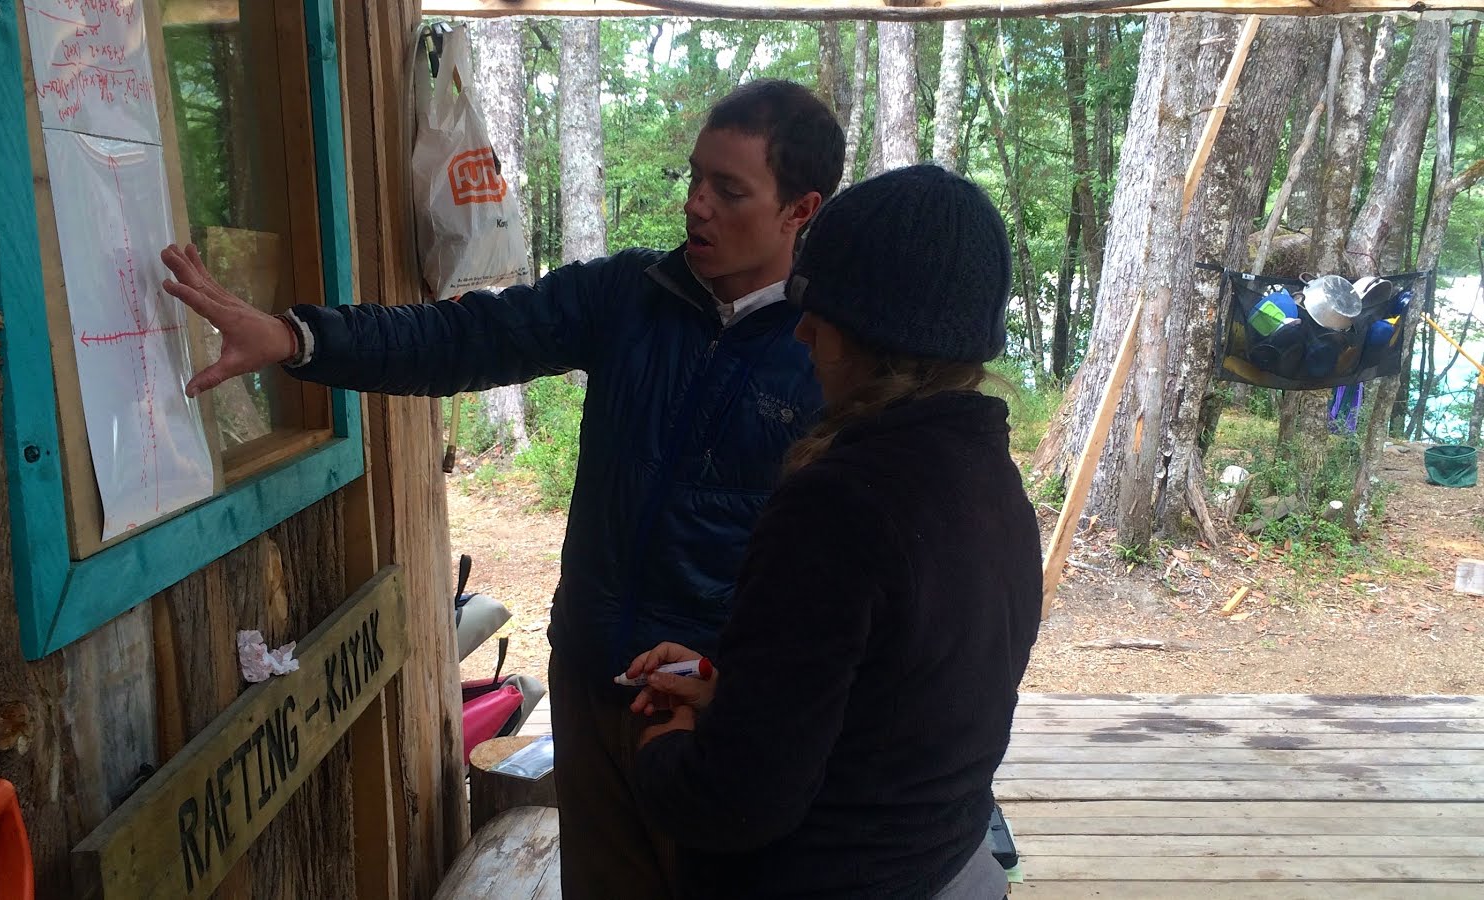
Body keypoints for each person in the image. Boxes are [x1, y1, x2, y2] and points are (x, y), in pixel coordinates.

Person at [159, 79, 845, 898]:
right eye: (695, 177)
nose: (696, 204)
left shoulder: (828, 350)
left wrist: (736, 683)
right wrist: (296, 338)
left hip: (709, 708)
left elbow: (835, 572)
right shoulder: (632, 295)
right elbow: (466, 336)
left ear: (800, 210)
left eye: (729, 190)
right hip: (591, 681)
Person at [623, 164, 1043, 899]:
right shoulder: (988, 478)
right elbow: (895, 709)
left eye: (822, 310)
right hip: (950, 866)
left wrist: (665, 752)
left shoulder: (839, 505)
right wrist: (734, 694)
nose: (804, 329)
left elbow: (738, 801)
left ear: (879, 335)